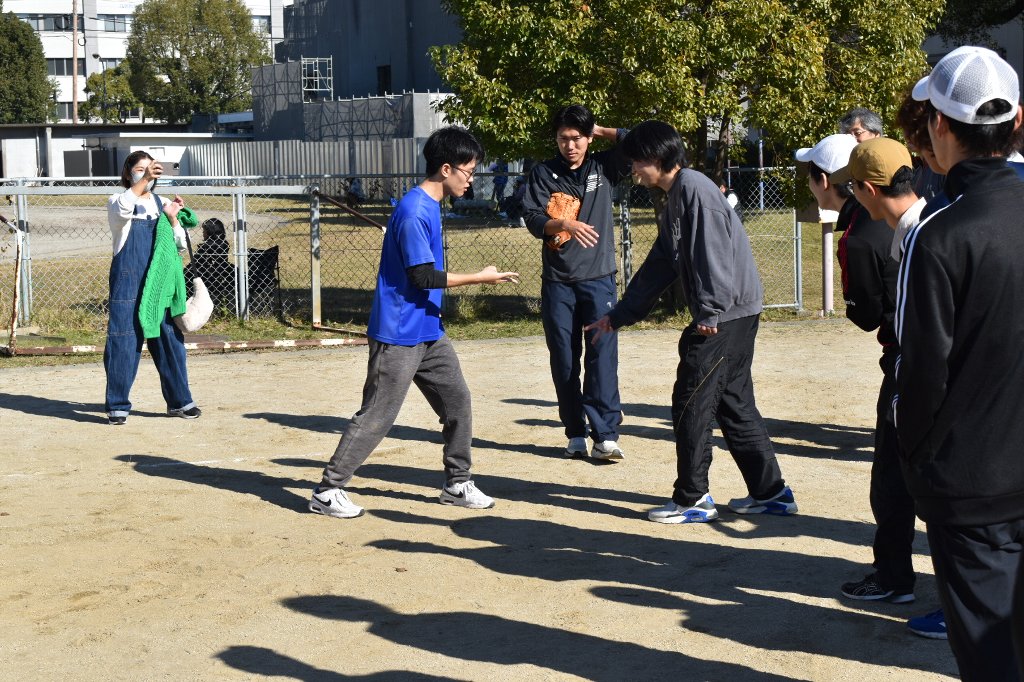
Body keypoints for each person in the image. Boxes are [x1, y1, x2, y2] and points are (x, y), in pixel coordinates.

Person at [586, 120, 797, 523]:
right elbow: (661, 263)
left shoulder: (695, 189)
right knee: (733, 403)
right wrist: (620, 314)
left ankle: (693, 498)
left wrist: (710, 311)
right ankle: (771, 493)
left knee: (691, 402)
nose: (633, 169)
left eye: (637, 162)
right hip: (732, 312)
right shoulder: (677, 194)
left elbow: (713, 253)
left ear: (657, 158)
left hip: (724, 316)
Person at [309, 126, 520, 520]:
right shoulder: (414, 211)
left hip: (428, 329)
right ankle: (328, 490)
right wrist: (480, 277)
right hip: (399, 331)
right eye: (468, 171)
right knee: (378, 414)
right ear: (446, 169)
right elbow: (422, 276)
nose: (471, 179)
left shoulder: (428, 206)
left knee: (457, 402)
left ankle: (457, 483)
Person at [896, 46, 1024, 680]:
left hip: (973, 484)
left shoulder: (940, 234)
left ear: (940, 125)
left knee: (991, 655)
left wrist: (916, 457)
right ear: (1017, 119)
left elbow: (921, 374)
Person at [803, 136, 923, 605]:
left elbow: (868, 315)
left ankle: (895, 577)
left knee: (893, 476)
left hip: (910, 363)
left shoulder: (861, 234)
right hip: (937, 362)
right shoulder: (935, 216)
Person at [521, 104, 630, 461]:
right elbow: (532, 219)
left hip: (599, 281)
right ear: (555, 139)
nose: (570, 145)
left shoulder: (604, 167)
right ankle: (575, 432)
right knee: (565, 360)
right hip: (559, 283)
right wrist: (563, 224)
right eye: (563, 138)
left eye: (578, 137)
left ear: (588, 138)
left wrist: (600, 130)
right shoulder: (543, 173)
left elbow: (642, 142)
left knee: (602, 357)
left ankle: (605, 436)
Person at [104, 151, 200, 425]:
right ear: (128, 173)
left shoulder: (163, 203)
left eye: (151, 169)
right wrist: (143, 181)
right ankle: (117, 406)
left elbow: (179, 244)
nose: (147, 173)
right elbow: (122, 210)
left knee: (169, 340)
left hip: (161, 284)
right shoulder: (118, 200)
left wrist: (172, 219)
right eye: (140, 169)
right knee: (123, 340)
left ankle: (180, 402)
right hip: (128, 282)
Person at [184, 218, 235, 313]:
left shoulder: (206, 247)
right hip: (218, 276)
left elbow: (195, 264)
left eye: (204, 231)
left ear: (210, 232)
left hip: (206, 276)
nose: (203, 233)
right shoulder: (224, 243)